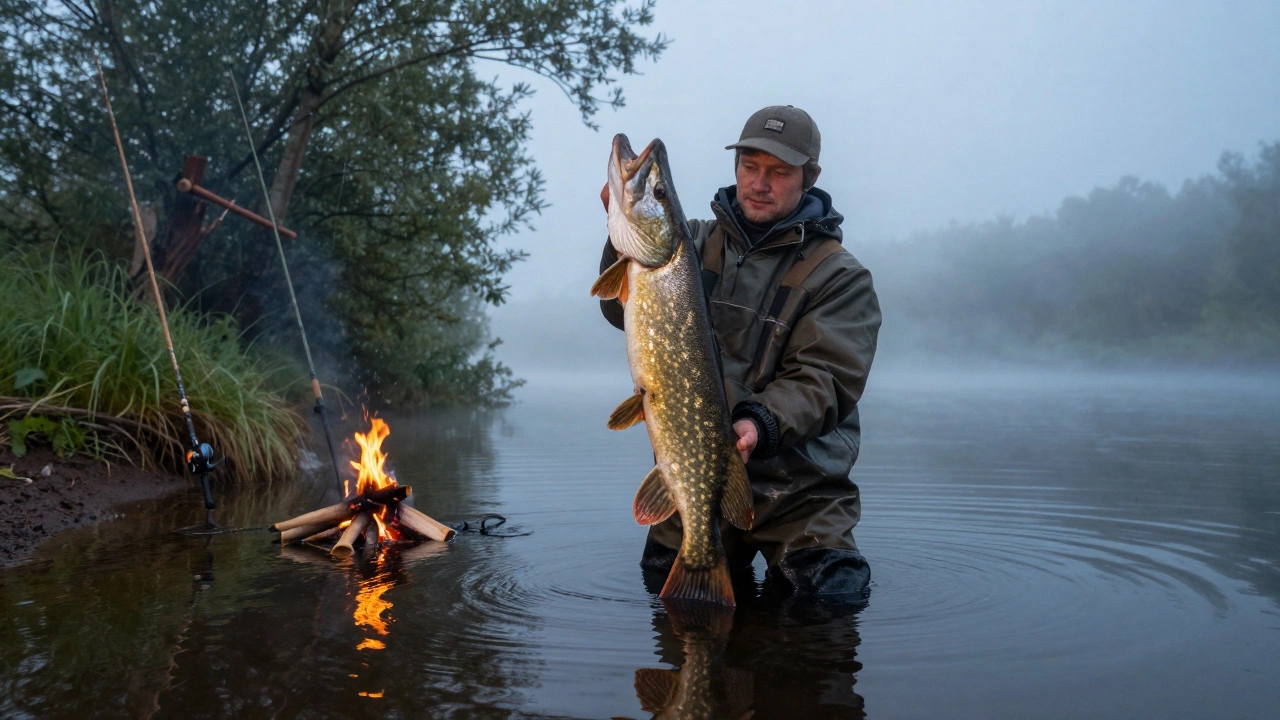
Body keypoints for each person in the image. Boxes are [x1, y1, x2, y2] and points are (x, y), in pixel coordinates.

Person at [599, 105, 881, 599]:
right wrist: (617, 236)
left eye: (778, 172)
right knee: (663, 582)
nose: (759, 182)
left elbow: (824, 378)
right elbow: (622, 314)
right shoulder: (694, 243)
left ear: (807, 179)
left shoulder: (840, 277)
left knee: (830, 597)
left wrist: (758, 423)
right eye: (750, 166)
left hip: (799, 485)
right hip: (696, 469)